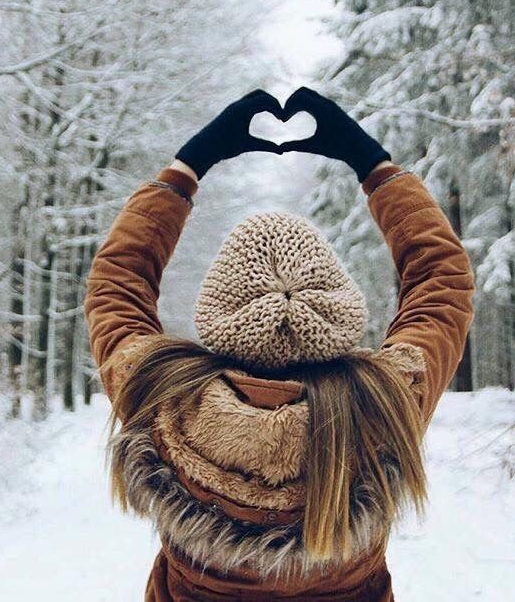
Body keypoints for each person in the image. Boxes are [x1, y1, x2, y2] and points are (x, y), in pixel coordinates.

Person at [84, 87, 475, 602]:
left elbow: (117, 284)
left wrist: (187, 167)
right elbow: (441, 281)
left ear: (222, 311)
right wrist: (373, 165)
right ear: (334, 309)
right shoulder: (384, 403)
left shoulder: (162, 397)